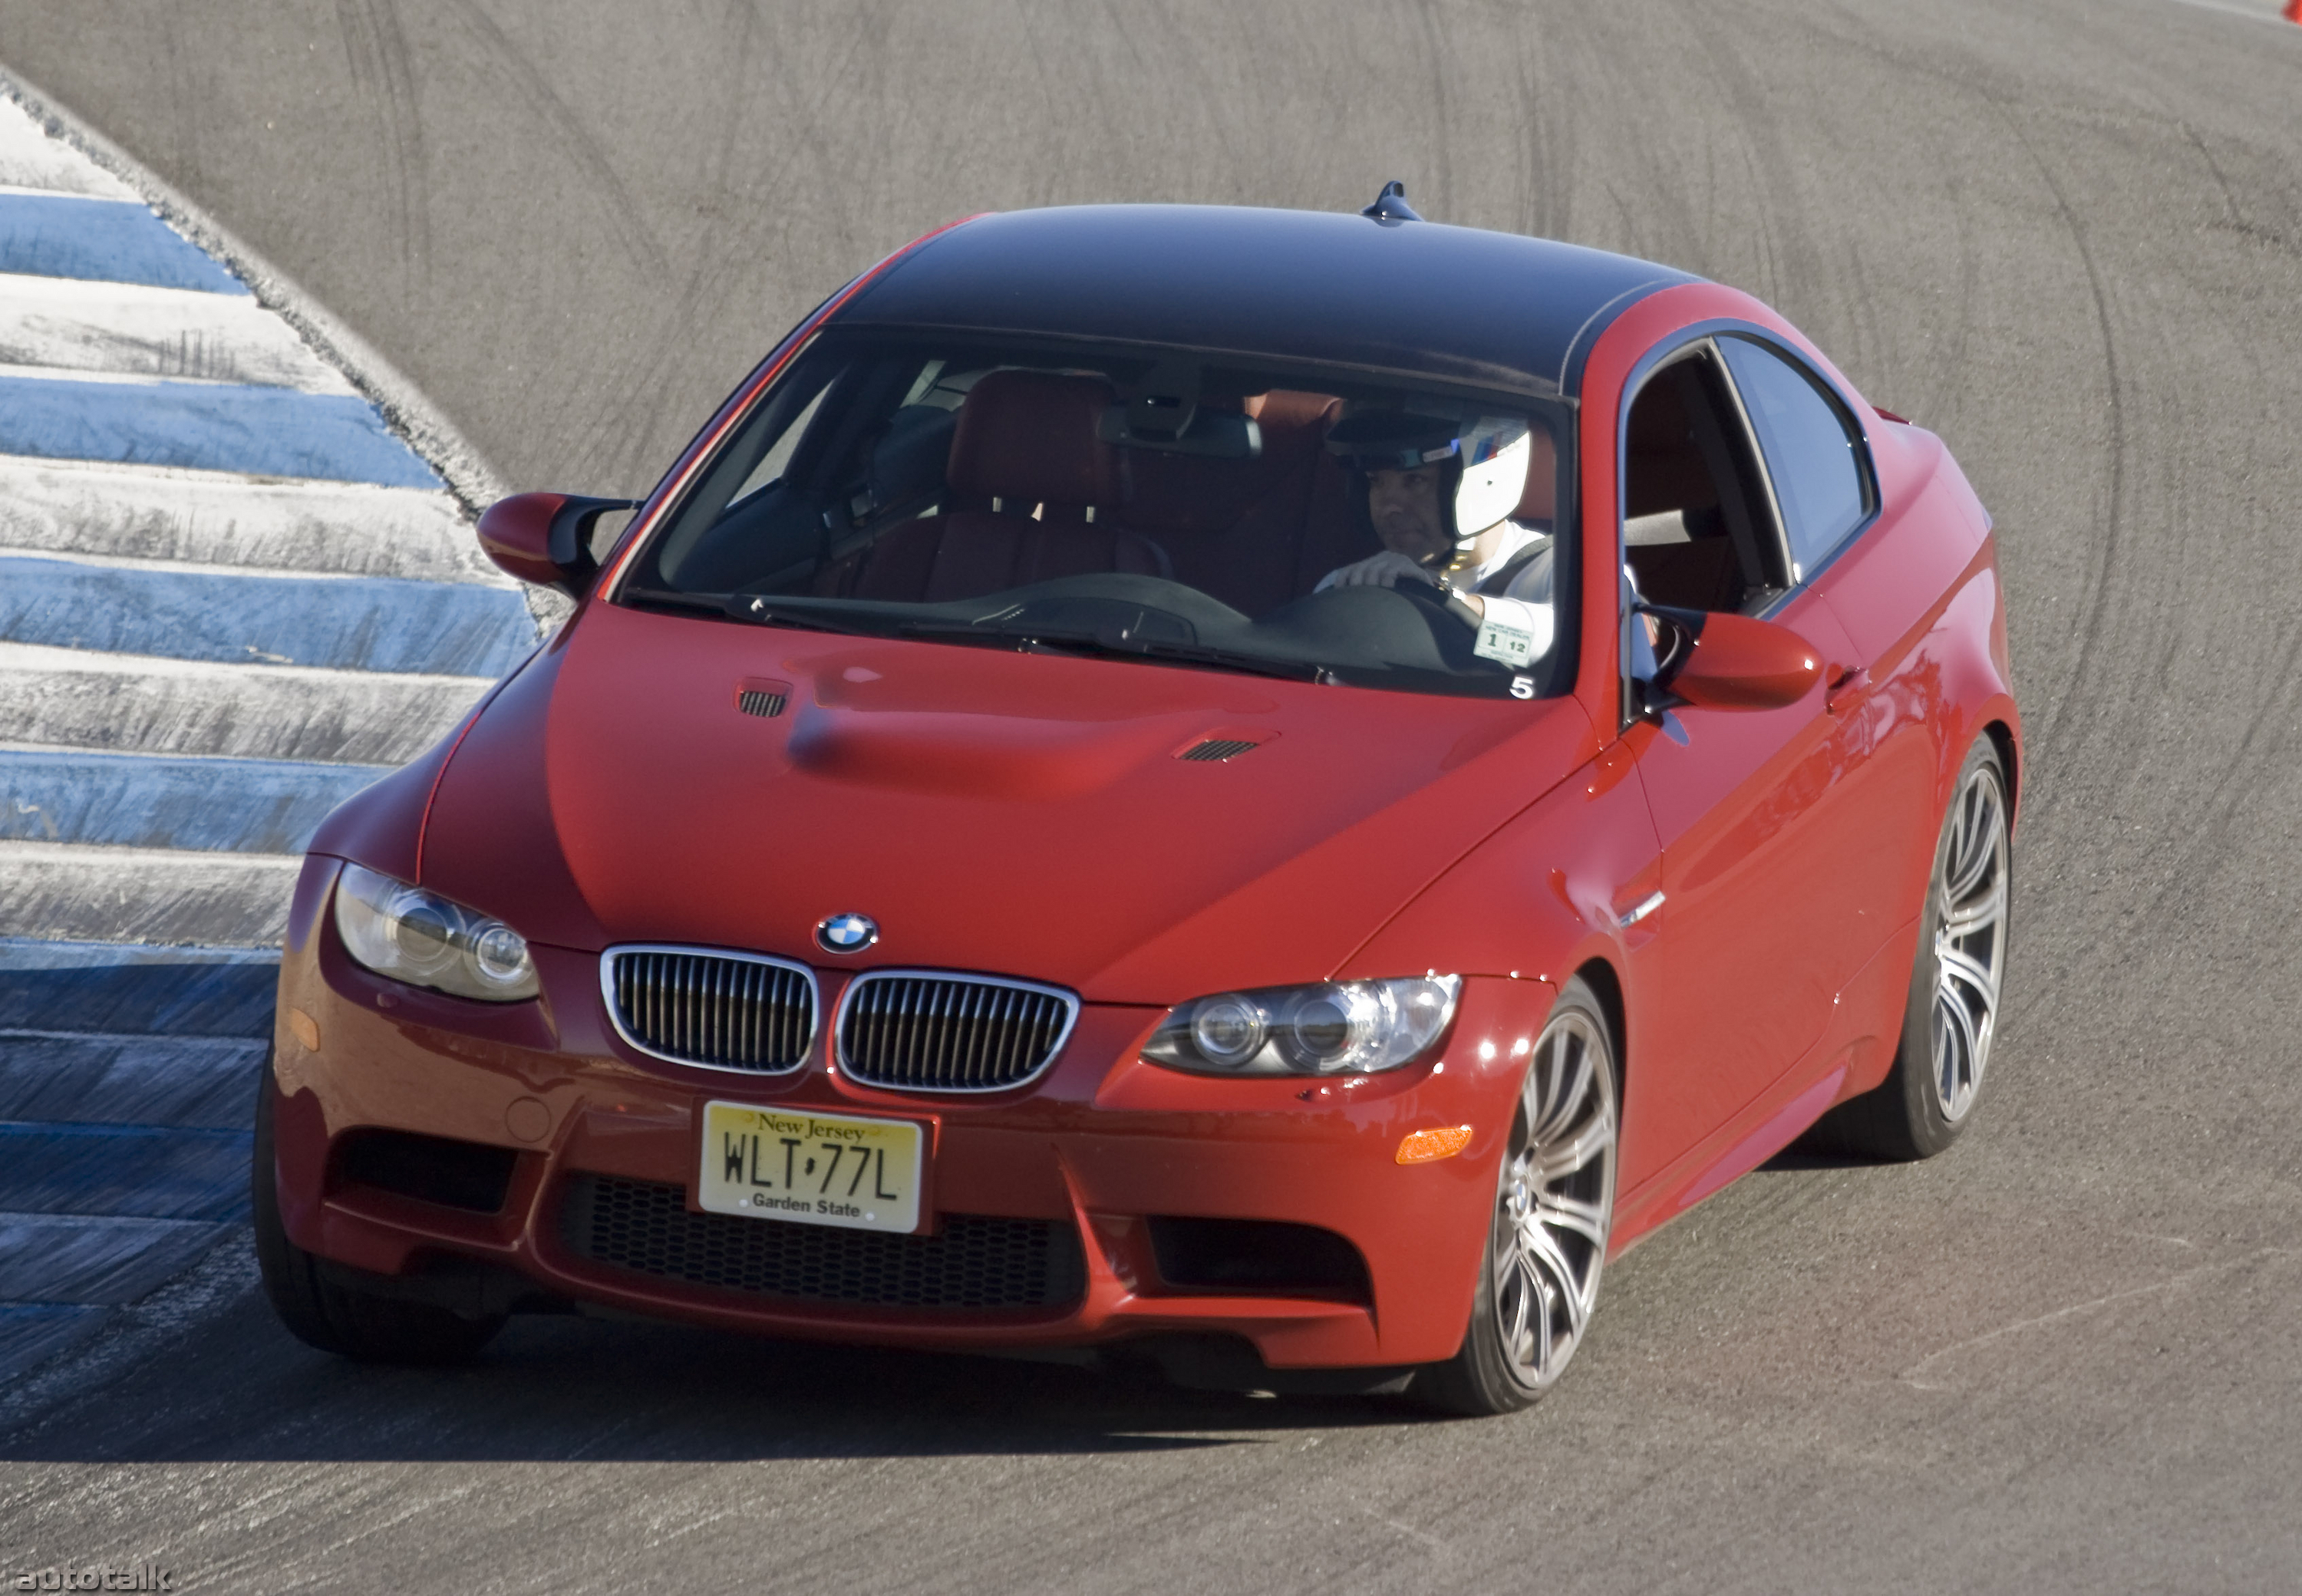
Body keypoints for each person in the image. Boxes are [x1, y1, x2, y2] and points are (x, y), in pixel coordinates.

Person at [1315, 411, 1555, 669]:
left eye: (1415, 480)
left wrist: (1441, 600)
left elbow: (1553, 643)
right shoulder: (1354, 583)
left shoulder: (1555, 568)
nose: (1389, 507)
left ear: (1485, 480)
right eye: (1376, 481)